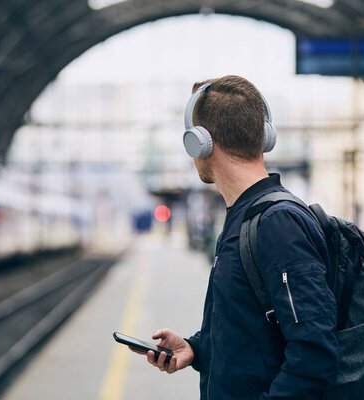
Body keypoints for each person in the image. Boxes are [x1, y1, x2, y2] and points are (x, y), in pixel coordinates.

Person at [134, 75, 339, 399]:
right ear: (264, 136)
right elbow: (255, 332)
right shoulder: (245, 218)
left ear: (200, 141)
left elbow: (314, 356)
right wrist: (196, 348)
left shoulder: (277, 223)